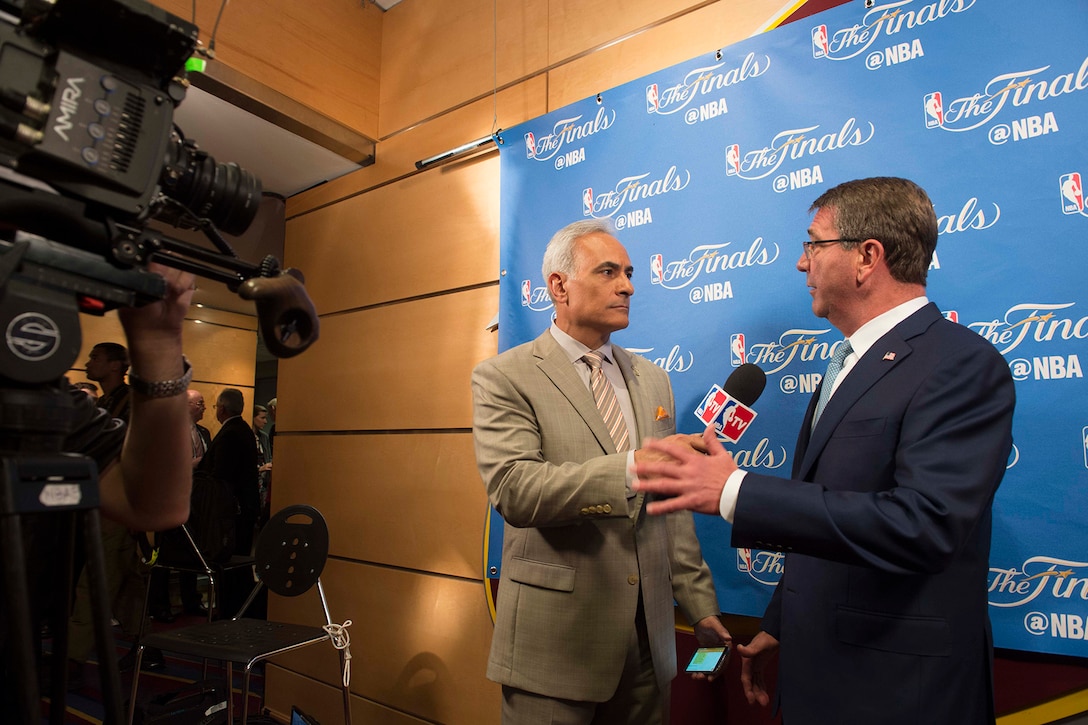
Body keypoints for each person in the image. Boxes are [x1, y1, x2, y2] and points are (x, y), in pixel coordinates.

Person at [632, 177, 1016, 725]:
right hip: (818, 672)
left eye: (813, 244)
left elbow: (925, 525)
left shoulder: (960, 365)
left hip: (898, 692)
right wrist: (780, 623)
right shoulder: (846, 364)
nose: (800, 263)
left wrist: (734, 490)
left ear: (866, 257)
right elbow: (828, 511)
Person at [472, 219, 730, 724]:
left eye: (629, 273)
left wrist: (699, 606)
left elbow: (669, 507)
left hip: (647, 645)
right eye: (609, 271)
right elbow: (516, 490)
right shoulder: (505, 376)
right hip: (556, 647)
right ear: (559, 286)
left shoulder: (653, 379)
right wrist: (632, 467)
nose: (628, 285)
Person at [3, 262, 195, 706]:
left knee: (106, 588)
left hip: (103, 525)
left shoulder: (49, 402)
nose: (87, 361)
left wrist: (159, 342)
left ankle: (92, 657)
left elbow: (150, 501)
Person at [201, 388, 259, 616]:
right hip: (243, 506)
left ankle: (231, 609)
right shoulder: (242, 430)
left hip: (232, 510)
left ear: (222, 409)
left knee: (230, 561)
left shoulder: (231, 433)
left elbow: (221, 474)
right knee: (239, 561)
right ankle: (237, 607)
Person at [84, 341, 132, 422]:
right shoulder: (102, 401)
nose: (87, 364)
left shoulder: (132, 400)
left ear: (115, 365)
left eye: (95, 359)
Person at [252, 404, 273, 527]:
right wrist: (259, 469)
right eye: (262, 418)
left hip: (263, 482)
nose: (265, 421)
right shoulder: (247, 436)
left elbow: (268, 456)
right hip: (253, 480)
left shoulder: (263, 437)